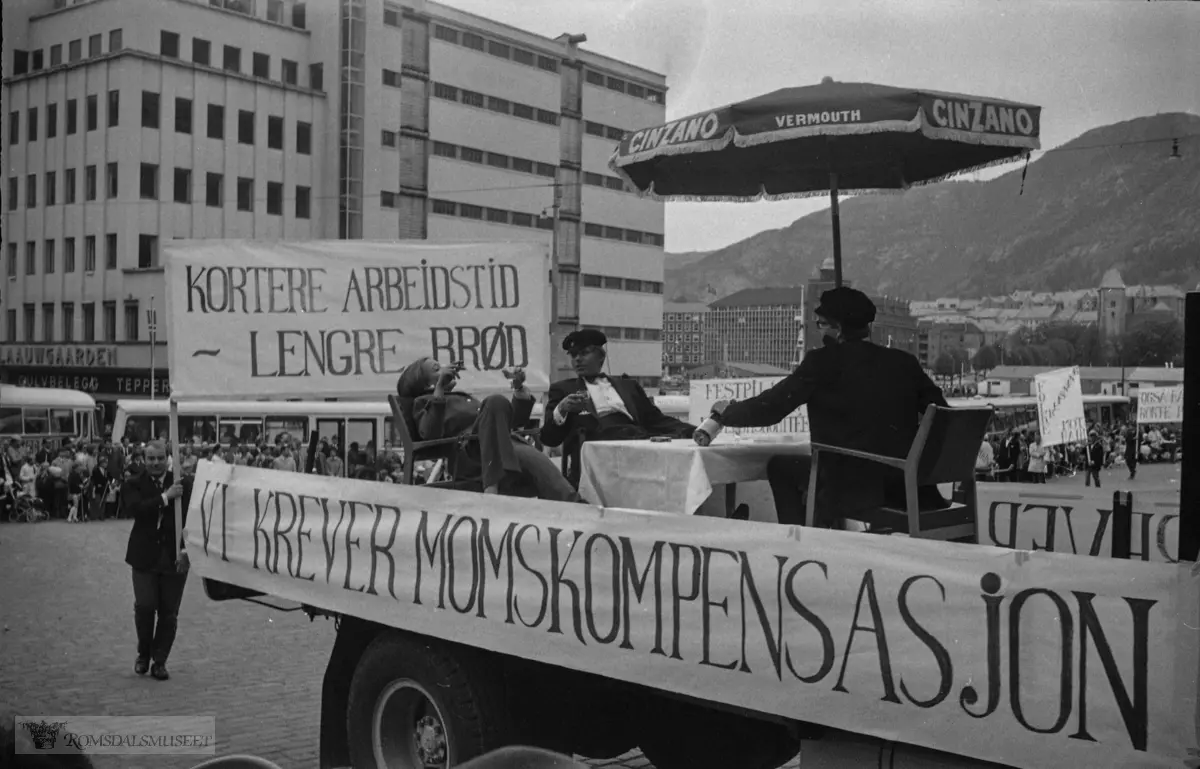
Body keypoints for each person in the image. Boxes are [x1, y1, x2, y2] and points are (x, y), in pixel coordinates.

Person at [700, 287, 949, 528]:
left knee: (782, 466)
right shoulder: (904, 363)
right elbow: (943, 414)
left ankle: (804, 543)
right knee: (825, 469)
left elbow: (771, 408)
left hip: (855, 490)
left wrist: (727, 413)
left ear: (837, 328)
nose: (819, 331)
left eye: (821, 324)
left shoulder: (822, 363)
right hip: (910, 487)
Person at [397, 357, 581, 502]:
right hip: (471, 455)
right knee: (496, 403)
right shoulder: (422, 402)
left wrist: (518, 388)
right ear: (427, 385)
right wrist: (438, 391)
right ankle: (575, 506)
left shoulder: (464, 398)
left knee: (498, 406)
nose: (446, 368)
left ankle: (492, 485)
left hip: (500, 449)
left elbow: (513, 422)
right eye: (437, 369)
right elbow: (430, 433)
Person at [540, 329, 696, 485]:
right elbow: (548, 438)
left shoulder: (628, 386)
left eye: (584, 353)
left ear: (601, 357)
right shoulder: (562, 390)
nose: (578, 360)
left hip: (636, 442)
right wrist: (562, 409)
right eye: (574, 355)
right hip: (598, 451)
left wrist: (694, 430)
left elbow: (656, 420)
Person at [122, 441, 193, 681]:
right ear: (143, 459)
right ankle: (143, 653)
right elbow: (136, 509)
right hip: (144, 557)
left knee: (169, 613)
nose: (155, 463)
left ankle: (160, 660)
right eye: (150, 458)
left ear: (167, 458)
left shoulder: (183, 483)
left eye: (160, 458)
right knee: (144, 608)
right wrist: (165, 497)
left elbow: (195, 518)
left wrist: (187, 551)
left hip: (174, 559)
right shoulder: (133, 483)